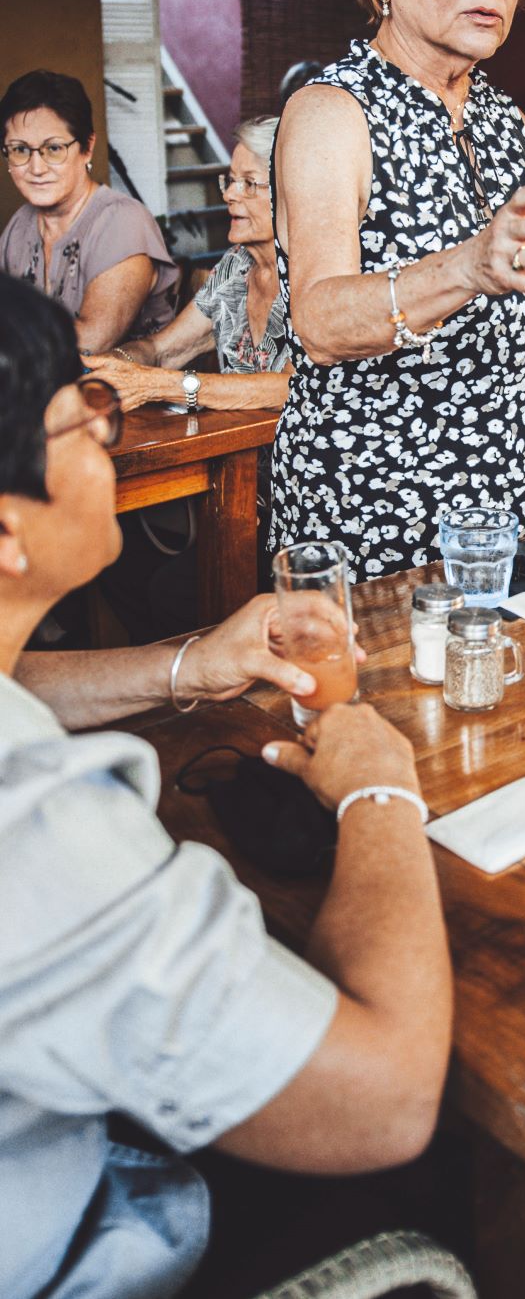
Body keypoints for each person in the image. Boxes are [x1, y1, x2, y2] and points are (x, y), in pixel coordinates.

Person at [0, 275, 451, 1299]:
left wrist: (185, 663)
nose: (110, 439)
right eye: (86, 414)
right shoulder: (33, 832)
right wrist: (382, 792)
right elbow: (385, 1101)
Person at [270, 0, 525, 578]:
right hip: (372, 523)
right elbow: (317, 323)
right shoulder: (332, 110)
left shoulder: (503, 121)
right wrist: (471, 265)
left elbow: (518, 363)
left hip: (504, 528)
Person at [84, 118, 290, 411]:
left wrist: (158, 385)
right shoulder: (236, 266)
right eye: (230, 180)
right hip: (236, 452)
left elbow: (293, 386)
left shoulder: (317, 273)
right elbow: (162, 349)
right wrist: (118, 364)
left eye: (249, 183)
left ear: (292, 192)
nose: (230, 194)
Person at [0, 69, 178, 349]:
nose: (36, 168)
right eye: (20, 149)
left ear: (87, 148)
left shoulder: (122, 222)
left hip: (124, 391)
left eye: (54, 148)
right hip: (42, 388)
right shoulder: (20, 225)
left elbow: (90, 342)